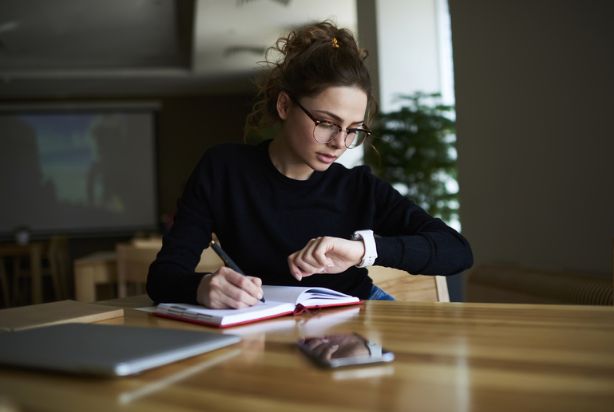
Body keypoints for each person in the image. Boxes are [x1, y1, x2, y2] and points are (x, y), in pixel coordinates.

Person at [147, 21, 473, 309]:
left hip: (359, 314)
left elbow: (457, 251)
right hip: (269, 320)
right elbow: (163, 277)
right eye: (327, 122)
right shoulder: (223, 170)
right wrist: (202, 287)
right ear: (285, 105)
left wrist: (361, 251)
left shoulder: (358, 187)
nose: (340, 143)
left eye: (353, 130)